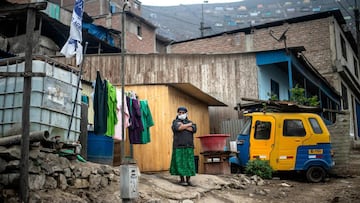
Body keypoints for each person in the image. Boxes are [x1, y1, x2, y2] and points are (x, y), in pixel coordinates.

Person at [170, 106, 197, 186]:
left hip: (189, 146)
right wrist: (188, 125)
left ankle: (188, 180)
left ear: (186, 113)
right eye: (180, 112)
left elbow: (193, 129)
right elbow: (178, 128)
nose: (181, 114)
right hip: (178, 146)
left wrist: (183, 126)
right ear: (178, 113)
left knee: (189, 163)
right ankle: (182, 180)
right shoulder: (175, 122)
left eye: (183, 113)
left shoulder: (190, 121)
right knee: (180, 163)